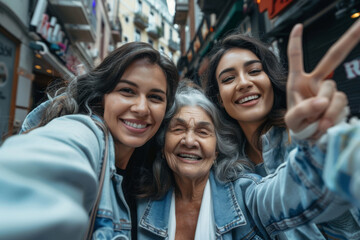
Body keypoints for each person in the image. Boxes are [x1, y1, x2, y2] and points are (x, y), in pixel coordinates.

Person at [0, 41, 178, 240]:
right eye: (127, 91)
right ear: (103, 95)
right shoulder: (85, 131)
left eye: (155, 97)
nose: (142, 108)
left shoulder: (155, 167)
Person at [135, 80, 351, 240]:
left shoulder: (247, 194)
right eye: (178, 129)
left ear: (217, 150)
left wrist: (317, 147)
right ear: (163, 146)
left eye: (203, 132)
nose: (189, 140)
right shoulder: (138, 204)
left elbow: (292, 194)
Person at [205, 20, 360, 239]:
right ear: (219, 98)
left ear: (270, 78)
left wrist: (323, 142)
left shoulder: (305, 136)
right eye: (229, 79)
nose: (243, 83)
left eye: (254, 71)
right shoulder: (226, 173)